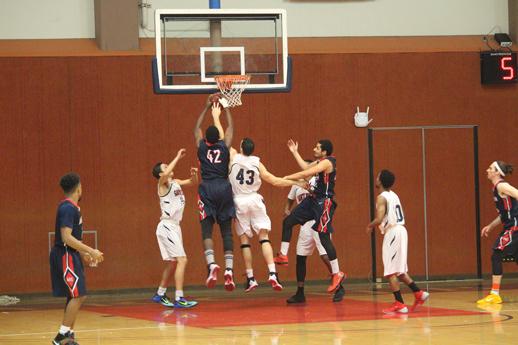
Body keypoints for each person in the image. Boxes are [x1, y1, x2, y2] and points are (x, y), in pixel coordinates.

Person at [228, 138, 304, 292]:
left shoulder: (233, 158)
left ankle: (250, 278)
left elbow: (223, 139)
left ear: (241, 147)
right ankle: (273, 273)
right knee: (264, 238)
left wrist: (217, 116)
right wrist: (295, 182)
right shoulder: (257, 162)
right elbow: (275, 181)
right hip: (255, 200)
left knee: (244, 241)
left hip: (239, 201)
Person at [275, 139, 345, 294]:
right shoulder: (319, 161)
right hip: (313, 200)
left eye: (317, 147)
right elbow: (306, 167)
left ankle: (337, 273)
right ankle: (283, 255)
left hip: (324, 202)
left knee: (323, 237)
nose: (314, 149)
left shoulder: (327, 162)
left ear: (325, 151)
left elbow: (306, 173)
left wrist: (287, 178)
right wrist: (294, 152)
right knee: (288, 221)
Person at [49, 173, 104, 345]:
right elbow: (66, 237)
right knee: (79, 295)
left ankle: (69, 336)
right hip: (65, 254)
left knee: (74, 295)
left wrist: (84, 255)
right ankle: (61, 337)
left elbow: (75, 238)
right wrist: (92, 250)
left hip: (71, 254)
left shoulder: (73, 208)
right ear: (79, 188)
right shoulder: (67, 208)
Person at [366, 169, 429, 314]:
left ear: (380, 181)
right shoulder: (394, 195)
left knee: (390, 270)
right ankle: (418, 293)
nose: (376, 179)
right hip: (401, 230)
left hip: (393, 232)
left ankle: (399, 304)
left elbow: (380, 218)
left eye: (377, 177)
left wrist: (370, 225)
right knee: (400, 270)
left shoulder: (381, 197)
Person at [194, 96, 236, 290]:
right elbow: (230, 129)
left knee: (207, 231)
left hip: (207, 188)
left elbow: (196, 129)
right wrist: (226, 108)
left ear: (205, 139)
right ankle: (229, 270)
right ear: (218, 138)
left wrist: (205, 108)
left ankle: (212, 265)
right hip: (224, 188)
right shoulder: (224, 146)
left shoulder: (201, 147)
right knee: (226, 231)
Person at [284, 171, 345, 303]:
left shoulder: (317, 184)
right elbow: (289, 200)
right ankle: (300, 293)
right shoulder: (296, 185)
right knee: (300, 257)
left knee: (324, 255)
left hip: (318, 221)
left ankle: (339, 285)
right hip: (304, 225)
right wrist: (287, 209)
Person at [151, 148, 199, 308]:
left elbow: (193, 182)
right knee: (182, 260)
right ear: (160, 174)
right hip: (167, 226)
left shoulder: (175, 182)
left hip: (174, 226)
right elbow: (165, 175)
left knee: (173, 262)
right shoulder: (162, 185)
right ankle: (179, 298)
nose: (167, 168)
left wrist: (193, 174)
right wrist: (177, 156)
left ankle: (160, 294)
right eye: (164, 167)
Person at [477, 161, 518, 304]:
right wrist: (490, 226)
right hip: (510, 225)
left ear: (497, 172)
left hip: (514, 227)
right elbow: (503, 214)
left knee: (497, 253)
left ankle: (494, 294)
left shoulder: (502, 185)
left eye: (490, 168)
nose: (487, 170)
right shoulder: (496, 188)